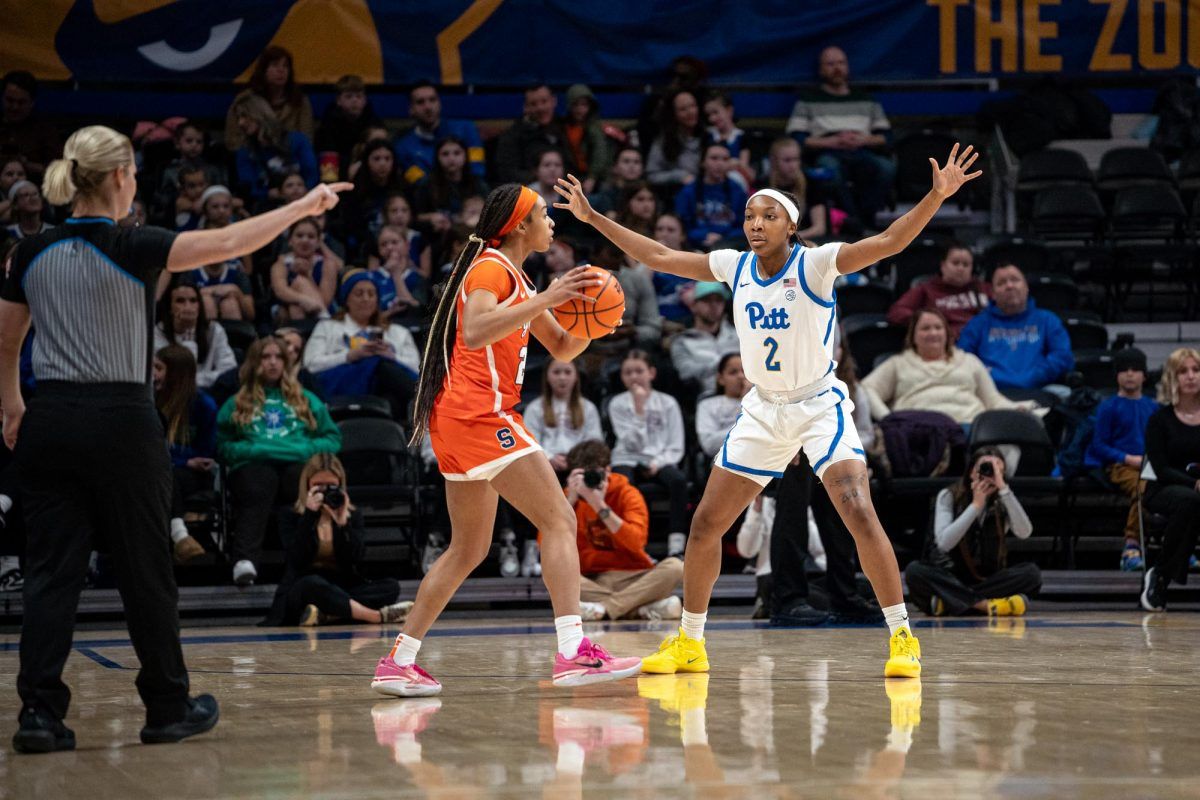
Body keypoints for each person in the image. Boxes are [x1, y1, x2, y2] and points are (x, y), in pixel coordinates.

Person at [556, 141, 984, 678]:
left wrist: (935, 195)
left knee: (857, 509)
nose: (755, 224)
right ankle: (690, 642)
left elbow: (890, 240)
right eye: (749, 215)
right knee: (707, 524)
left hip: (817, 404)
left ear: (791, 224)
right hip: (762, 410)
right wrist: (594, 217)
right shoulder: (733, 266)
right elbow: (660, 257)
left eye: (768, 215)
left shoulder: (818, 264)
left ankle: (901, 636)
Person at [0, 124, 350, 752]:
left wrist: (11, 403)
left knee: (51, 574)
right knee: (145, 570)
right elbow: (230, 240)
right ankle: (166, 706)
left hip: (50, 420)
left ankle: (39, 716)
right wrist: (303, 205)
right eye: (132, 172)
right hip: (121, 422)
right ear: (118, 177)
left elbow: (6, 339)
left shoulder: (28, 252)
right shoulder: (136, 245)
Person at [370, 184, 640, 698]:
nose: (552, 221)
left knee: (468, 548)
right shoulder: (491, 268)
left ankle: (398, 661)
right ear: (519, 225)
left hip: (456, 421)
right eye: (543, 213)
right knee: (559, 518)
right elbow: (474, 331)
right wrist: (550, 296)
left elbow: (561, 346)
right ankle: (573, 653)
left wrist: (595, 325)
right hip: (479, 415)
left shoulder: (513, 276)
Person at [217, 336, 342, 586]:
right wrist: (252, 450)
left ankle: (310, 562)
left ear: (286, 362)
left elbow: (332, 438)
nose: (272, 363)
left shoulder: (306, 399)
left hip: (297, 463)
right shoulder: (237, 402)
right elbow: (222, 445)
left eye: (278, 357)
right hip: (252, 466)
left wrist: (306, 448)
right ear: (254, 362)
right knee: (260, 483)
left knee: (302, 485)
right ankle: (244, 561)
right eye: (266, 357)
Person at [265, 453, 412, 626]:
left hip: (339, 586)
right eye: (318, 486)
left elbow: (355, 558)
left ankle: (327, 614)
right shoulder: (290, 515)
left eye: (331, 486)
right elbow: (296, 559)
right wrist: (310, 515)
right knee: (311, 584)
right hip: (304, 585)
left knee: (390, 587)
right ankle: (375, 616)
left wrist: (343, 525)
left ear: (340, 485)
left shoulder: (352, 515)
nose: (325, 492)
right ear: (307, 485)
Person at [904, 447, 1040, 616]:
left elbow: (1024, 532)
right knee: (915, 571)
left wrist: (1004, 489)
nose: (990, 472)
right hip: (951, 576)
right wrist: (975, 506)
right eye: (984, 467)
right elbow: (944, 543)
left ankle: (950, 603)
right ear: (971, 472)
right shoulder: (949, 495)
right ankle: (986, 605)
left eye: (997, 468)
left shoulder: (1003, 499)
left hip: (988, 578)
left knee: (1031, 574)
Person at [562, 440, 684, 622]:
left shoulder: (628, 494)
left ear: (608, 470)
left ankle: (604, 609)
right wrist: (569, 503)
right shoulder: (568, 499)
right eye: (582, 474)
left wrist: (599, 506)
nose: (589, 480)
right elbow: (548, 546)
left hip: (635, 576)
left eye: (594, 474)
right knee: (557, 575)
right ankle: (640, 609)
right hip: (595, 579)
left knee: (676, 567)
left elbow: (636, 543)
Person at [785, 46, 895, 227]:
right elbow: (796, 138)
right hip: (827, 151)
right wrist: (832, 142)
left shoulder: (866, 99)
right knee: (830, 170)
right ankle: (853, 220)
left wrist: (862, 140)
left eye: (841, 63)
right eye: (830, 64)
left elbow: (886, 137)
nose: (837, 68)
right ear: (821, 70)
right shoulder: (807, 100)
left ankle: (865, 219)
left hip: (861, 150)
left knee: (886, 168)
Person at [862, 308, 1020, 426]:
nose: (933, 333)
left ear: (947, 333)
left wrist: (1019, 408)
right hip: (917, 431)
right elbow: (867, 388)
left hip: (969, 427)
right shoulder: (898, 363)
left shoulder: (970, 360)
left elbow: (993, 401)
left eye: (938, 328)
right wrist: (888, 419)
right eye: (925, 328)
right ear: (913, 336)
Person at [301, 269, 420, 421]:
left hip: (382, 388)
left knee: (392, 398)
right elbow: (310, 364)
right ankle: (427, 402)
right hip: (341, 385)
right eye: (359, 293)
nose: (365, 299)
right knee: (379, 364)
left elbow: (417, 369)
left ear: (377, 300)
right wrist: (350, 356)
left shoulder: (398, 332)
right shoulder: (327, 327)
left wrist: (392, 356)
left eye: (371, 294)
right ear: (346, 299)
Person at [608, 350, 689, 559]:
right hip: (626, 457)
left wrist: (658, 463)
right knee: (622, 484)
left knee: (678, 481)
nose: (634, 377)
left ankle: (676, 545)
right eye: (628, 373)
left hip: (661, 458)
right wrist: (639, 408)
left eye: (639, 371)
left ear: (651, 373)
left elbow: (676, 444)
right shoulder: (617, 403)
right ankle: (631, 543)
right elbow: (632, 443)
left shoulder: (668, 402)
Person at [1084, 348, 1159, 571]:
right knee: (1144, 489)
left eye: (1135, 369)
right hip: (1119, 466)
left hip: (1149, 464)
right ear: (1116, 375)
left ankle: (1178, 547)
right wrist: (1127, 458)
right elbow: (1098, 446)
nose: (1129, 374)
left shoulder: (1153, 407)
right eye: (1124, 370)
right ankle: (1131, 546)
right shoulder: (1108, 407)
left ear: (1144, 375)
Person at [956, 263, 1074, 400]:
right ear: (993, 293)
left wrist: (1035, 375)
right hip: (990, 393)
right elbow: (962, 359)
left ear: (1026, 287)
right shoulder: (978, 324)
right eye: (1001, 283)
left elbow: (1063, 357)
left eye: (1015, 280)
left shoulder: (1048, 320)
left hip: (1040, 389)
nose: (1009, 286)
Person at [1140, 348, 1200, 612]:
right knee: (1190, 501)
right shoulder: (1159, 420)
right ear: (1172, 378)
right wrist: (1194, 483)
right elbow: (1161, 468)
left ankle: (1161, 573)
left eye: (1196, 370)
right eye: (1183, 371)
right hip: (1164, 488)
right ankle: (1161, 577)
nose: (1191, 376)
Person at [153, 345, 217, 564]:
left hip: (194, 476)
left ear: (175, 373)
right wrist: (184, 460)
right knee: (165, 473)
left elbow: (207, 451)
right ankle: (180, 534)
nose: (153, 374)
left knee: (169, 474)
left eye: (158, 368)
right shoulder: (150, 402)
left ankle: (179, 534)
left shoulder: (203, 405)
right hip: (162, 471)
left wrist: (188, 461)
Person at [231, 94, 318, 207]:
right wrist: (267, 194)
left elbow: (312, 174)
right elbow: (248, 187)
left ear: (259, 114)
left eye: (244, 116)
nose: (240, 123)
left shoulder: (297, 141)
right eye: (238, 118)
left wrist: (300, 193)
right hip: (266, 207)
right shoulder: (245, 151)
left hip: (303, 202)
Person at [886, 242, 990, 335]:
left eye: (966, 264)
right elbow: (896, 312)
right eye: (955, 263)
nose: (960, 268)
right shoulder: (926, 289)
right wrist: (926, 321)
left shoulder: (984, 288)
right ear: (943, 265)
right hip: (944, 342)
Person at [393, 81, 485, 184]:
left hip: (470, 190)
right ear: (411, 109)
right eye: (420, 102)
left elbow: (477, 168)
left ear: (439, 103)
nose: (428, 107)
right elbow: (420, 183)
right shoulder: (402, 148)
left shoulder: (466, 128)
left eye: (432, 100)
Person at [523, 358, 603, 477]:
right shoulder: (534, 408)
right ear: (547, 377)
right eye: (556, 372)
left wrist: (577, 460)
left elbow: (594, 441)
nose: (562, 377)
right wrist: (549, 457)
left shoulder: (588, 407)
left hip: (580, 466)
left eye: (567, 372)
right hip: (545, 466)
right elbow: (529, 442)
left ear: (576, 376)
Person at [224, 46, 314, 151]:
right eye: (275, 65)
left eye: (285, 66)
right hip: (254, 160)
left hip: (290, 160)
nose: (281, 70)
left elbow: (307, 140)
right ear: (263, 70)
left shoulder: (299, 101)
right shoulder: (245, 101)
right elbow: (232, 141)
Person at [154, 279, 237, 390]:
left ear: (199, 306)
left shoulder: (214, 330)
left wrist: (198, 380)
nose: (188, 306)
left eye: (193, 301)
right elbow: (177, 377)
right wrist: (188, 337)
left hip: (208, 390)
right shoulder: (158, 333)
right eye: (180, 301)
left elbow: (229, 369)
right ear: (170, 308)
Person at [494, 84, 576, 185]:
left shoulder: (567, 129)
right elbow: (507, 172)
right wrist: (539, 177)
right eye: (533, 104)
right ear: (525, 107)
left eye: (544, 101)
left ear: (554, 101)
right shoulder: (512, 135)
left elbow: (574, 166)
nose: (540, 108)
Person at [675, 143, 749, 250]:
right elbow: (682, 226)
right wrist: (704, 235)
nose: (720, 163)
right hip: (695, 247)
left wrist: (722, 238)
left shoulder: (737, 190)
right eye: (714, 158)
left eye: (725, 159)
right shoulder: (688, 191)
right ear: (703, 162)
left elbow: (745, 226)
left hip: (730, 247)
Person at [411, 136, 489, 237]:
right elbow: (415, 217)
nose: (451, 158)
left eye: (457, 153)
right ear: (437, 158)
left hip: (471, 236)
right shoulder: (426, 185)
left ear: (465, 156)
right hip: (437, 237)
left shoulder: (478, 184)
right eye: (445, 154)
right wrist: (431, 217)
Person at [671, 281, 740, 393]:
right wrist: (726, 365)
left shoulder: (739, 335)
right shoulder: (682, 341)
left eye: (719, 300)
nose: (714, 305)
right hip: (707, 397)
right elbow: (686, 373)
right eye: (707, 300)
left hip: (745, 396)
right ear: (693, 306)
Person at [315, 74, 384, 181]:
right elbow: (327, 160)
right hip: (337, 176)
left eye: (359, 96)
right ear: (338, 100)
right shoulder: (327, 126)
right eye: (348, 96)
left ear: (365, 100)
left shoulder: (375, 124)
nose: (354, 101)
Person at [269, 217, 340, 321]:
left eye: (311, 237)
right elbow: (280, 291)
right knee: (294, 303)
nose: (305, 240)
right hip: (288, 314)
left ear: (318, 242)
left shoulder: (328, 265)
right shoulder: (281, 265)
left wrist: (308, 276)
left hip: (321, 311)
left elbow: (324, 301)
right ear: (290, 241)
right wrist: (303, 299)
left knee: (300, 283)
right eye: (299, 236)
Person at [761, 137, 828, 240]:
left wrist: (790, 237)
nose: (793, 165)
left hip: (808, 242)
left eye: (796, 159)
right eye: (787, 160)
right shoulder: (764, 187)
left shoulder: (812, 184)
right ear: (774, 161)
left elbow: (819, 228)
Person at [0, 71, 60, 178]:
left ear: (32, 103)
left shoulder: (45, 131)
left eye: (21, 102)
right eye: (10, 101)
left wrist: (26, 164)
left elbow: (56, 174)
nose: (15, 107)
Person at [646, 89, 703, 190]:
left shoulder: (709, 137)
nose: (690, 112)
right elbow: (652, 176)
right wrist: (679, 176)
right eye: (683, 109)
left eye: (693, 106)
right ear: (674, 114)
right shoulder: (663, 142)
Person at [561, 84, 613, 194]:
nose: (580, 109)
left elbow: (599, 154)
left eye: (584, 105)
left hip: (594, 177)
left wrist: (592, 177)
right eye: (576, 105)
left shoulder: (594, 129)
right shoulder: (563, 128)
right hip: (570, 176)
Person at [695, 353, 749, 458]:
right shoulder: (707, 405)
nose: (741, 376)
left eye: (745, 371)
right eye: (733, 372)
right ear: (721, 379)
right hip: (725, 460)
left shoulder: (761, 403)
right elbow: (709, 444)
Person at [704, 91, 753, 183]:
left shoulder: (742, 137)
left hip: (735, 181)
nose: (712, 118)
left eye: (715, 112)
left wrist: (738, 164)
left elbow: (745, 168)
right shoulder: (708, 135)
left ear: (729, 110)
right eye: (709, 115)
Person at [590, 146, 644, 218]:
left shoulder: (648, 193)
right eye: (626, 161)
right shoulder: (606, 196)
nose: (632, 166)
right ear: (615, 167)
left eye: (636, 162)